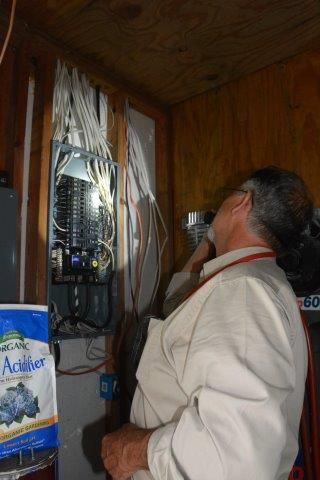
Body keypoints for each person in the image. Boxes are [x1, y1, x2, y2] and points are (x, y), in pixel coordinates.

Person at [101, 166, 313, 480]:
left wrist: (134, 450)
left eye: (230, 194)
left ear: (243, 202)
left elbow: (235, 457)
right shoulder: (253, 279)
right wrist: (217, 240)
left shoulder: (240, 291)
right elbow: (178, 306)